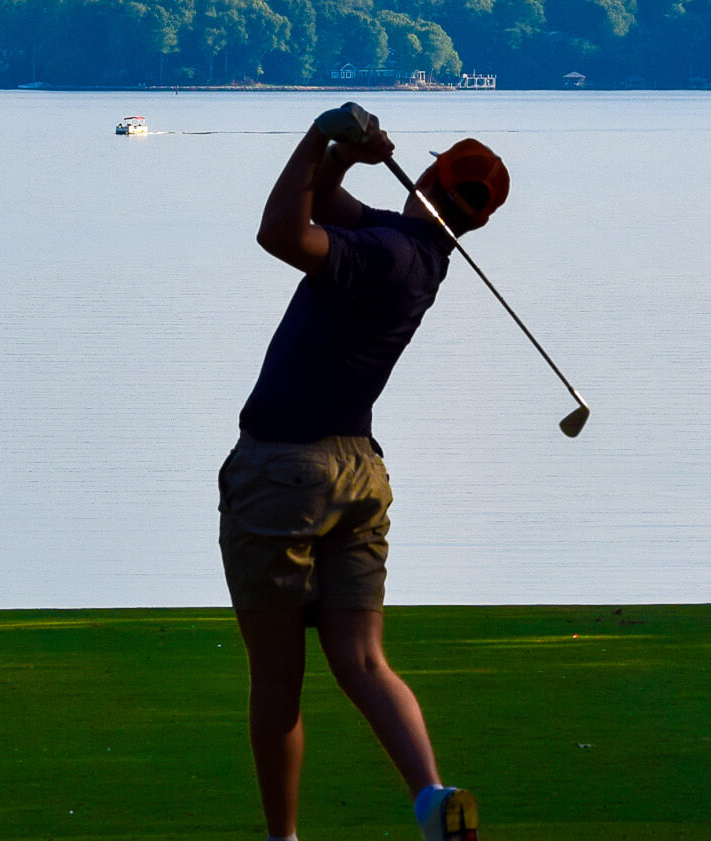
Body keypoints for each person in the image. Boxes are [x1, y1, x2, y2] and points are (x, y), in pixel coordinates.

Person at [217, 103, 507, 841]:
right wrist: (347, 155)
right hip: (357, 474)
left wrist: (321, 133)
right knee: (364, 661)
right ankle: (433, 798)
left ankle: (283, 838)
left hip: (284, 470)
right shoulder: (419, 252)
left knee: (277, 677)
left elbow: (280, 231)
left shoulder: (385, 252)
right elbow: (323, 201)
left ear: (429, 180)